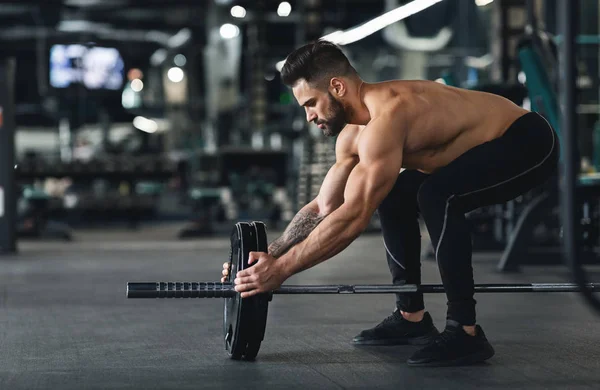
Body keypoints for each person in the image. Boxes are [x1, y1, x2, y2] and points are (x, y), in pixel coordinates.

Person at [221, 40, 559, 366]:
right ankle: (411, 316)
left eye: (311, 103)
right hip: (478, 153)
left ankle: (465, 332)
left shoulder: (390, 115)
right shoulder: (353, 133)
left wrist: (281, 272)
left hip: (525, 140)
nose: (309, 116)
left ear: (337, 87)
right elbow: (323, 206)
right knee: (397, 191)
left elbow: (353, 217)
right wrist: (267, 258)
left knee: (436, 194)